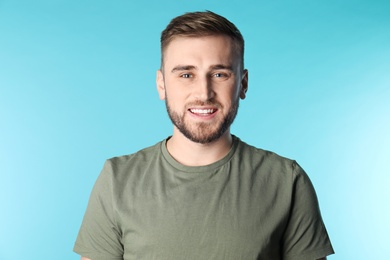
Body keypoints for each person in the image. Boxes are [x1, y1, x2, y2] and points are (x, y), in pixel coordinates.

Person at [74, 11, 334, 260]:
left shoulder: (286, 180)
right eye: (186, 74)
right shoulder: (117, 179)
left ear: (242, 84)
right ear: (161, 84)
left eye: (219, 74)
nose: (204, 92)